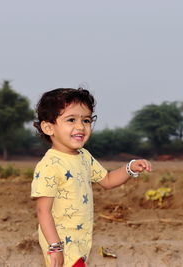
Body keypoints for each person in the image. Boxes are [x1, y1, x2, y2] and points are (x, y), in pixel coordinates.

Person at [31, 88, 151, 267]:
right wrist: (55, 246)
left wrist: (129, 168)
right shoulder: (49, 165)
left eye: (86, 120)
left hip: (81, 239)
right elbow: (43, 210)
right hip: (61, 242)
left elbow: (108, 180)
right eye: (71, 120)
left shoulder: (84, 156)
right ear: (48, 127)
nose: (80, 126)